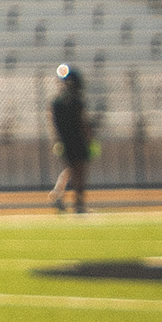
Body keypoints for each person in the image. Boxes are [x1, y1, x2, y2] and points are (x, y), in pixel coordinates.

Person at [46, 63, 94, 215]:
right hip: (77, 140)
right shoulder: (76, 101)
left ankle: (58, 194)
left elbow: (53, 123)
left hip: (64, 140)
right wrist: (89, 138)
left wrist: (57, 140)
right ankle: (78, 203)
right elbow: (82, 122)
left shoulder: (56, 102)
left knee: (70, 169)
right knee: (79, 172)